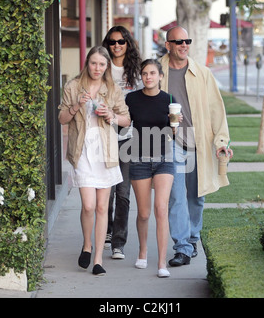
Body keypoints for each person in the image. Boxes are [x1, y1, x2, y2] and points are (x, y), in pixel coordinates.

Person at [159, 26, 233, 267]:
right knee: (177, 196)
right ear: (168, 45)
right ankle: (182, 247)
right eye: (178, 41)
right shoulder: (157, 71)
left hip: (199, 142)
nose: (183, 45)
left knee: (197, 196)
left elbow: (216, 110)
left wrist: (221, 142)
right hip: (172, 142)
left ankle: (192, 237)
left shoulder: (202, 73)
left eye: (186, 41)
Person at [58, 46, 131, 275]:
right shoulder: (72, 86)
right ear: (87, 63)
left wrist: (111, 115)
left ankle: (98, 259)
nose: (97, 68)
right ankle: (87, 245)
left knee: (102, 206)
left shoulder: (111, 89)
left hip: (106, 152)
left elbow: (126, 120)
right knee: (88, 205)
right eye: (93, 63)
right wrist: (77, 104)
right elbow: (62, 118)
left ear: (107, 66)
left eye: (102, 64)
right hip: (82, 151)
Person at [125, 59, 179, 278]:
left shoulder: (169, 100)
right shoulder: (131, 99)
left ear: (160, 76)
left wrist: (175, 124)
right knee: (145, 213)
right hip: (139, 159)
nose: (148, 77)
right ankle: (142, 251)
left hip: (164, 158)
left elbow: (172, 133)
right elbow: (124, 124)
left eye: (153, 73)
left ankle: (161, 262)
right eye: (145, 73)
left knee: (161, 209)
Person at [102, 26, 143, 259]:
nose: (117, 45)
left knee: (124, 192)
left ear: (128, 43)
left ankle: (119, 242)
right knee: (106, 191)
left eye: (121, 41)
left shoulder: (136, 71)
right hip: (104, 137)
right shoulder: (101, 67)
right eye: (112, 42)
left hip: (128, 137)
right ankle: (107, 230)